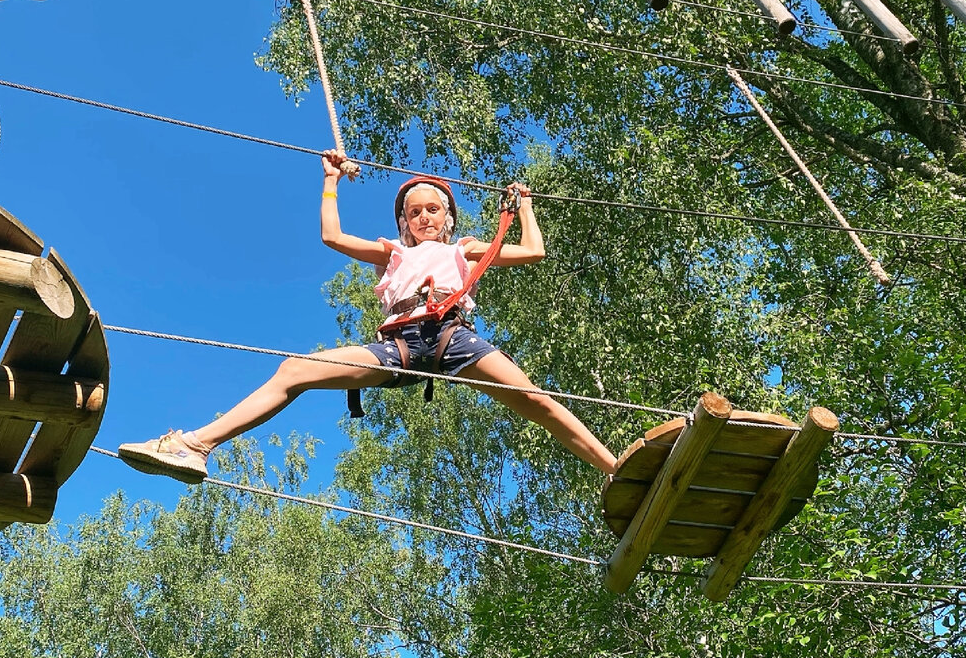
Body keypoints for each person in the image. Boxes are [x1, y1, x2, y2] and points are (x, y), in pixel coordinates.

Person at [118, 152, 617, 483]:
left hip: (453, 337)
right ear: (403, 221)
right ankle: (195, 446)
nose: (423, 217)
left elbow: (533, 250)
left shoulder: (464, 249)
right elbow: (332, 237)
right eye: (414, 211)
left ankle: (615, 470)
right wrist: (331, 180)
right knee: (295, 370)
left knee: (536, 401)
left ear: (448, 218)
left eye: (433, 210)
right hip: (399, 344)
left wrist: (523, 206)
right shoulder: (391, 253)